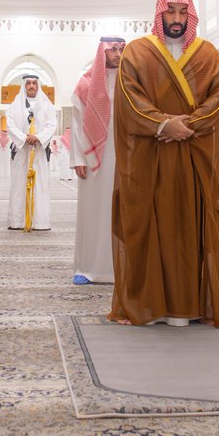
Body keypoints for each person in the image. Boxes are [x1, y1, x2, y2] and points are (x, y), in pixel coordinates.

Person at [110, 0, 219, 328]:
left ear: (191, 16)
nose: (176, 19)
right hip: (151, 157)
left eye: (183, 13)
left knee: (190, 229)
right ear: (159, 13)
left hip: (192, 159)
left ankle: (187, 305)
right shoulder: (137, 52)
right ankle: (148, 304)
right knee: (148, 227)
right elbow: (129, 98)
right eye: (170, 12)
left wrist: (186, 126)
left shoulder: (208, 55)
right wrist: (163, 125)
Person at [69, 37, 125, 284]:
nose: (118, 54)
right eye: (113, 50)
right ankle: (88, 267)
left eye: (121, 49)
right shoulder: (86, 84)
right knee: (92, 212)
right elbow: (76, 123)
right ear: (102, 52)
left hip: (125, 157)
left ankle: (121, 268)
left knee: (122, 211)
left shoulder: (131, 81)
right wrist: (78, 157)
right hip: (93, 161)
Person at [6, 75, 57, 231]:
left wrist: (38, 137)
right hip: (21, 151)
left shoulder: (47, 105)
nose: (31, 86)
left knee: (40, 185)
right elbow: (10, 124)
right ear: (24, 85)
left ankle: (40, 222)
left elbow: (52, 125)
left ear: (38, 85)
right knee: (18, 185)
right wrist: (24, 138)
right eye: (28, 83)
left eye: (34, 83)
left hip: (39, 152)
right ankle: (17, 221)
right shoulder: (15, 105)